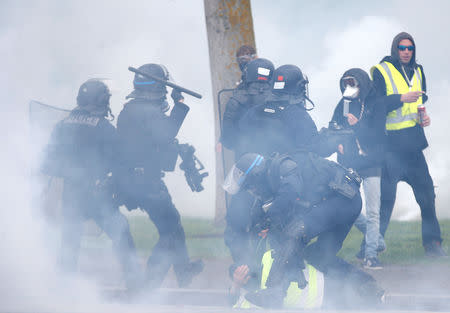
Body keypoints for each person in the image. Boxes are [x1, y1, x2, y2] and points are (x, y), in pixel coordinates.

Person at [223, 152, 382, 308]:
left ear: (256, 177)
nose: (253, 192)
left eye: (251, 187)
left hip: (343, 199)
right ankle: (368, 287)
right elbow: (268, 211)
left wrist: (269, 219)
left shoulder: (283, 167)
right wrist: (259, 224)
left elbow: (291, 191)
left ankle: (275, 292)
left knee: (296, 231)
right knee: (319, 256)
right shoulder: (273, 182)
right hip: (344, 202)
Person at [41, 79, 141, 288]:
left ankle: (63, 287)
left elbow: (49, 161)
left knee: (70, 241)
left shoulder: (62, 124)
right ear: (102, 100)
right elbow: (121, 161)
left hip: (71, 194)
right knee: (120, 232)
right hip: (97, 194)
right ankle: (135, 282)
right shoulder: (103, 127)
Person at [115, 63, 204, 289]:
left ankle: (183, 270)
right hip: (145, 182)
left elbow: (148, 142)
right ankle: (151, 283)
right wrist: (180, 104)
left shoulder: (131, 109)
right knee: (169, 231)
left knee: (172, 223)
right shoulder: (149, 111)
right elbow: (166, 134)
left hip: (129, 178)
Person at [371, 32, 446, 256]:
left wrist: (425, 118)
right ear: (395, 48)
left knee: (427, 196)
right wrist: (401, 98)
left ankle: (433, 245)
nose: (406, 52)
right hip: (390, 148)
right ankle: (373, 247)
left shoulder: (419, 70)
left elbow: (421, 101)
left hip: (413, 147)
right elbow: (375, 105)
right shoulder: (381, 70)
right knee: (385, 201)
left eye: (410, 48)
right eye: (402, 48)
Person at [329, 68, 403, 269]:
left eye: (353, 82)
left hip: (371, 162)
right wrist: (337, 142)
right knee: (347, 206)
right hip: (349, 162)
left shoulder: (376, 103)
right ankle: (377, 241)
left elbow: (377, 135)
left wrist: (358, 124)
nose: (349, 87)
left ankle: (371, 255)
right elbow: (334, 124)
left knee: (373, 211)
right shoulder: (344, 103)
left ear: (362, 83)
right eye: (346, 83)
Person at [230, 249, 384, 309]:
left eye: (244, 271)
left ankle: (375, 290)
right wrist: (235, 285)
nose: (245, 275)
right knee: (359, 304)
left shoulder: (269, 256)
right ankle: (377, 297)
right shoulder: (250, 297)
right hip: (321, 301)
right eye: (241, 275)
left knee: (356, 286)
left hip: (324, 281)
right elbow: (233, 307)